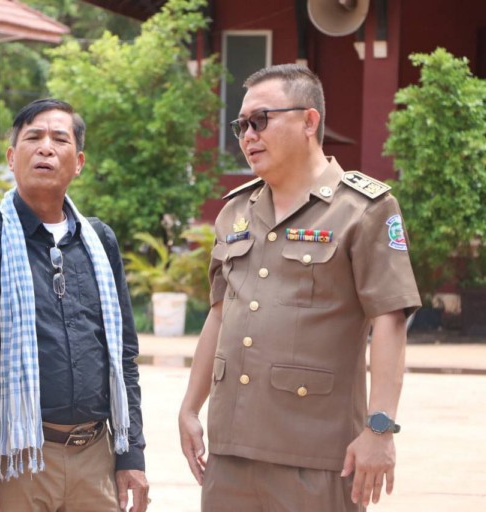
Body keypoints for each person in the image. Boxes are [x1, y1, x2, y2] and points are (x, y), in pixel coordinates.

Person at [178, 64, 421, 511]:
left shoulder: (364, 209)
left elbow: (390, 318)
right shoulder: (235, 212)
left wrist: (380, 429)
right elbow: (220, 312)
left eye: (260, 120)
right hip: (229, 455)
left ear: (309, 122)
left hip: (317, 457)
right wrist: (191, 407)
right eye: (241, 126)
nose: (248, 136)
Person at [0, 98, 149, 512]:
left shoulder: (99, 241)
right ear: (11, 157)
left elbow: (123, 354)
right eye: (33, 137)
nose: (46, 148)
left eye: (60, 139)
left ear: (79, 162)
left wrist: (132, 454)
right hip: (13, 456)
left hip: (95, 455)